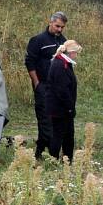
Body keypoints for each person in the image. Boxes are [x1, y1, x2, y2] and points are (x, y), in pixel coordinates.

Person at [25, 12, 67, 158]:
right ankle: (51, 153)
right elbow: (30, 62)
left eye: (62, 27)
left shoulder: (63, 42)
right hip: (43, 85)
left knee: (56, 118)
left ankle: (40, 152)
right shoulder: (38, 40)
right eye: (57, 26)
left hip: (58, 88)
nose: (59, 30)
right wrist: (36, 83)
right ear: (50, 23)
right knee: (44, 118)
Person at [45, 40, 81, 162]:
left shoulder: (63, 62)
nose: (76, 55)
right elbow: (62, 90)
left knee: (68, 135)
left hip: (62, 107)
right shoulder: (61, 64)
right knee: (59, 135)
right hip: (60, 108)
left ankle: (67, 159)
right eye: (76, 52)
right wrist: (70, 107)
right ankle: (53, 160)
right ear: (70, 52)